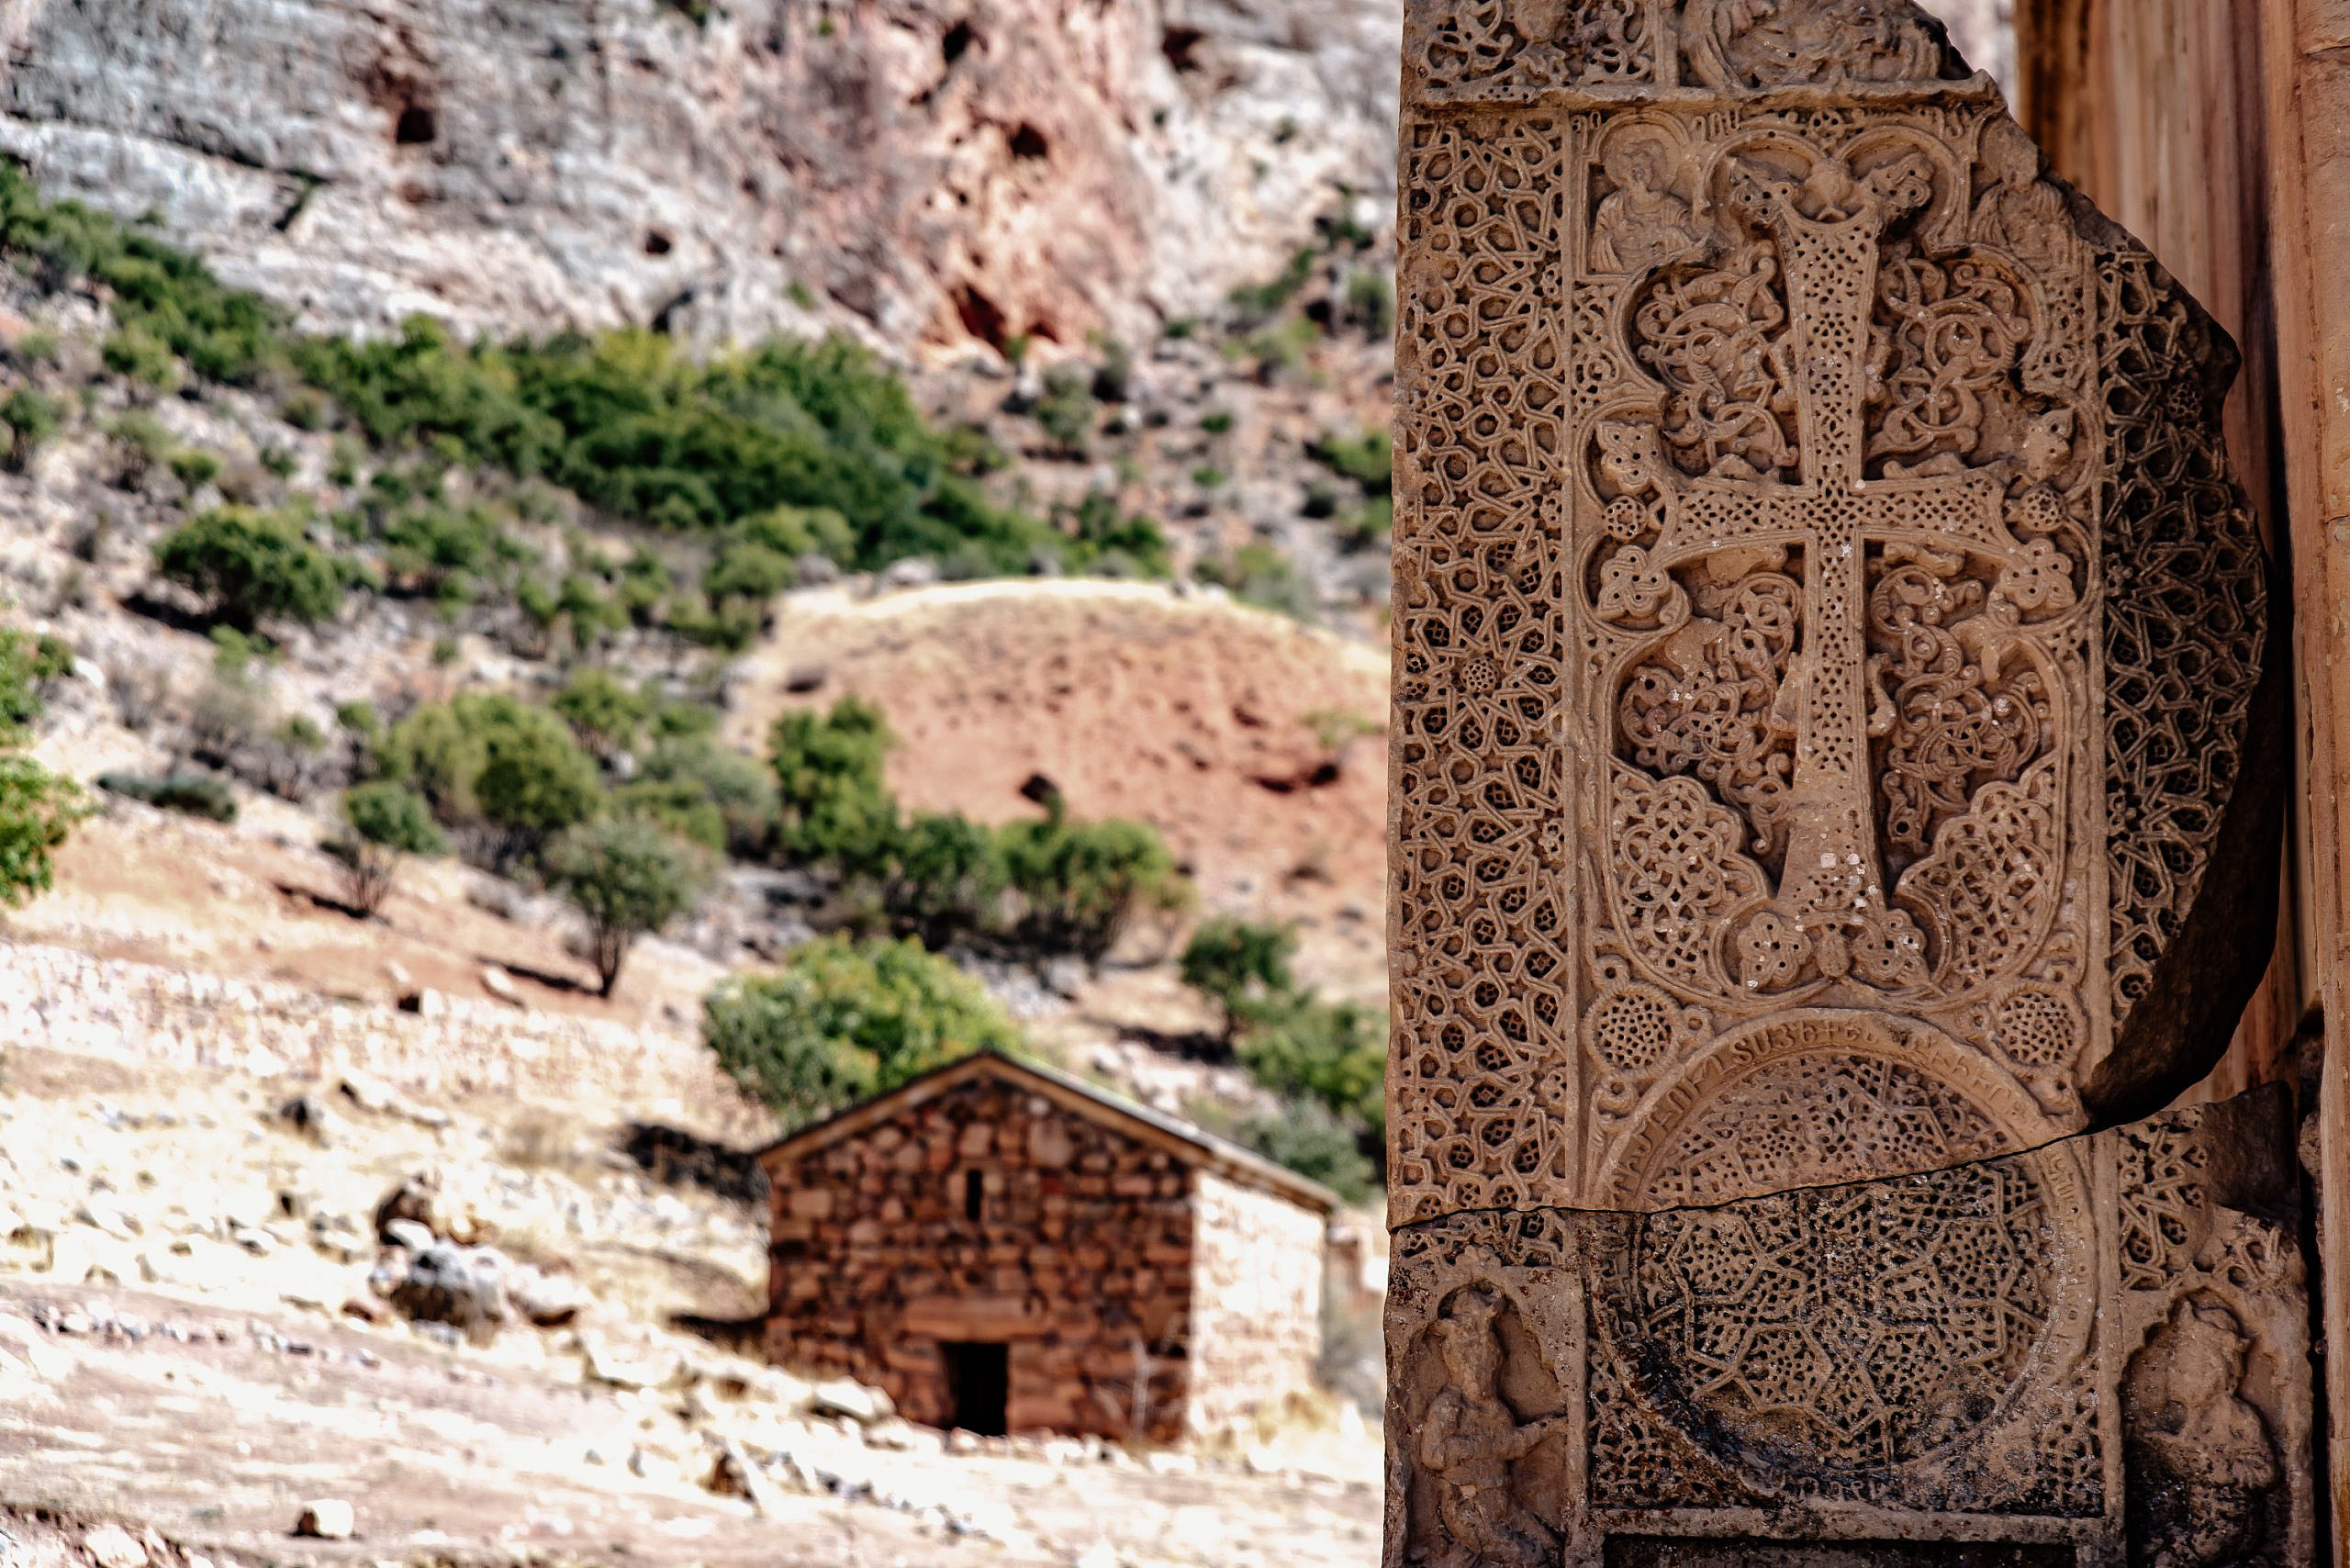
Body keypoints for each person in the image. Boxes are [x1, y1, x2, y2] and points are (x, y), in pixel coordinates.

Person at [1416, 1287, 1561, 1568]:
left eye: (1489, 1370)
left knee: (1553, 1547)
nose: (1484, 1379)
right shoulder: (1449, 1406)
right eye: (1475, 1371)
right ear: (1456, 1365)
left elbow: (1513, 1444)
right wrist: (1475, 1447)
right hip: (1469, 1508)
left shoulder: (1495, 1408)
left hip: (1505, 1504)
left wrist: (1549, 1427)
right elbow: (1432, 1455)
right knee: (1531, 1559)